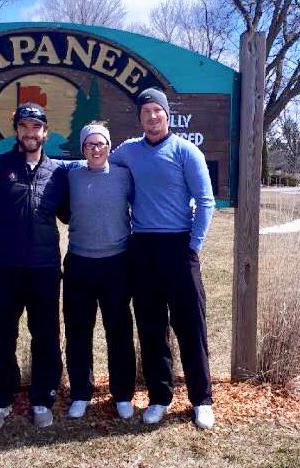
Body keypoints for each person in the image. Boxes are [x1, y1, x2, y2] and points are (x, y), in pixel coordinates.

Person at [110, 88, 216, 429]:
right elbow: (97, 165)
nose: (152, 117)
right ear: (139, 118)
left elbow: (206, 201)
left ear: (167, 115)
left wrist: (194, 246)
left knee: (190, 326)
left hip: (179, 246)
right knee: (151, 327)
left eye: (157, 111)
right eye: (146, 112)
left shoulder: (186, 151)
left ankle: (201, 400)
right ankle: (159, 397)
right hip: (143, 248)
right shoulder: (128, 151)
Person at [0, 103, 69, 431]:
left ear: (45, 133)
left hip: (44, 268)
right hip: (3, 267)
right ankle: (0, 399)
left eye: (36, 127)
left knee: (46, 335)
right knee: (0, 333)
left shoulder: (58, 172)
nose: (30, 133)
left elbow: (71, 213)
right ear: (15, 131)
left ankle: (43, 399)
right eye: (24, 127)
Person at [62, 122, 136, 420]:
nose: (96, 149)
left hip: (117, 263)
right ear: (82, 149)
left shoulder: (123, 175)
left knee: (119, 331)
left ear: (109, 146)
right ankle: (81, 393)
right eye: (90, 144)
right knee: (78, 331)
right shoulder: (71, 174)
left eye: (101, 144)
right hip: (79, 263)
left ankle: (123, 395)